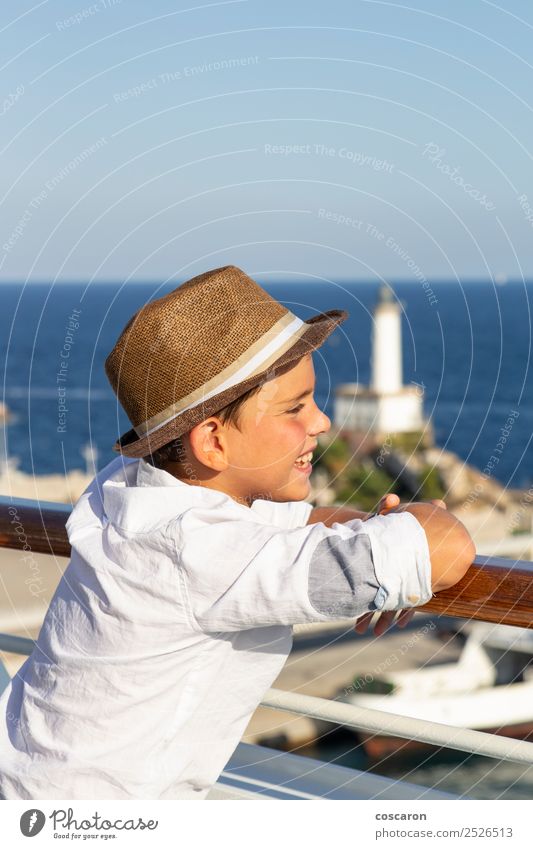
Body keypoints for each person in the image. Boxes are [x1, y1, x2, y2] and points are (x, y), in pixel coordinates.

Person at [0, 265, 474, 800]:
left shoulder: (137, 491)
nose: (321, 422)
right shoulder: (203, 555)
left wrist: (381, 537)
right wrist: (421, 524)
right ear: (213, 444)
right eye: (296, 407)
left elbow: (294, 524)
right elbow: (447, 549)